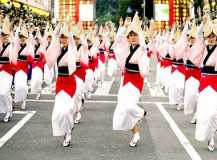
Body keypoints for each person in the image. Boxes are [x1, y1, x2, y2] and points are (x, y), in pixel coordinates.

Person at [113, 14, 148, 147]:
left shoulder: (142, 48)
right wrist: (123, 27)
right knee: (122, 110)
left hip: (136, 82)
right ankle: (136, 133)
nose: (133, 37)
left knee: (128, 107)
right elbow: (118, 40)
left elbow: (144, 69)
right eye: (130, 35)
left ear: (139, 36)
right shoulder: (126, 48)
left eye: (135, 35)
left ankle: (141, 113)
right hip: (125, 80)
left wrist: (140, 34)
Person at [46, 23, 77, 147]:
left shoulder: (72, 49)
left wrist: (69, 31)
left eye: (65, 37)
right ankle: (66, 131)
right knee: (58, 112)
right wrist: (57, 29)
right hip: (60, 82)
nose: (63, 39)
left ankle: (68, 132)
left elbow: (73, 43)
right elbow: (53, 40)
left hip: (70, 82)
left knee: (67, 110)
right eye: (62, 37)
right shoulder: (57, 50)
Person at [194, 18, 217, 152]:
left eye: (213, 36)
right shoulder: (203, 48)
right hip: (204, 84)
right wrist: (203, 24)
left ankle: (212, 135)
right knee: (205, 113)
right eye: (209, 36)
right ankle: (211, 137)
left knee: (214, 114)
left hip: (215, 84)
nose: (211, 38)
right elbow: (198, 36)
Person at [183, 22, 201, 124]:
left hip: (197, 73)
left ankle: (197, 115)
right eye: (190, 38)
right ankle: (195, 113)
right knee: (190, 95)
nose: (192, 39)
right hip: (189, 73)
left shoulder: (199, 47)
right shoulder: (186, 46)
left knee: (197, 96)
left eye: (194, 38)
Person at [14, 24, 34, 110]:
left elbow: (31, 59)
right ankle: (18, 99)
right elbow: (15, 38)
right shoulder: (17, 46)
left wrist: (30, 33)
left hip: (24, 69)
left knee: (23, 86)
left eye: (24, 37)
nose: (22, 38)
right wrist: (18, 27)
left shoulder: (29, 46)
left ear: (26, 38)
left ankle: (24, 100)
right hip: (17, 69)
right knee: (17, 85)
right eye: (21, 37)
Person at [0, 16, 14, 122]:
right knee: (2, 93)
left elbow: (13, 60)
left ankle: (9, 111)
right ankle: (6, 111)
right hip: (1, 72)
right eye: (2, 35)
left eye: (6, 35)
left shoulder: (11, 46)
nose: (4, 37)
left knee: (5, 92)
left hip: (8, 72)